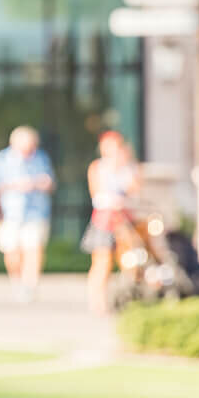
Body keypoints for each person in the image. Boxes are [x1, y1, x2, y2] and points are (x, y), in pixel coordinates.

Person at [0, 126, 56, 304]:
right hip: (10, 213)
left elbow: (51, 182)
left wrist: (41, 184)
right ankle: (17, 281)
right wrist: (17, 185)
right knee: (12, 251)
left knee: (34, 249)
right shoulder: (2, 160)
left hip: (36, 212)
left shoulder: (41, 158)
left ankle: (30, 285)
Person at [85, 129, 140, 314]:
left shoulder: (129, 168)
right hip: (105, 220)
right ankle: (97, 302)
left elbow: (135, 191)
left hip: (125, 220)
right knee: (102, 263)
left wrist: (124, 167)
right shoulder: (97, 168)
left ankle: (129, 298)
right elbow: (97, 195)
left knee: (131, 261)